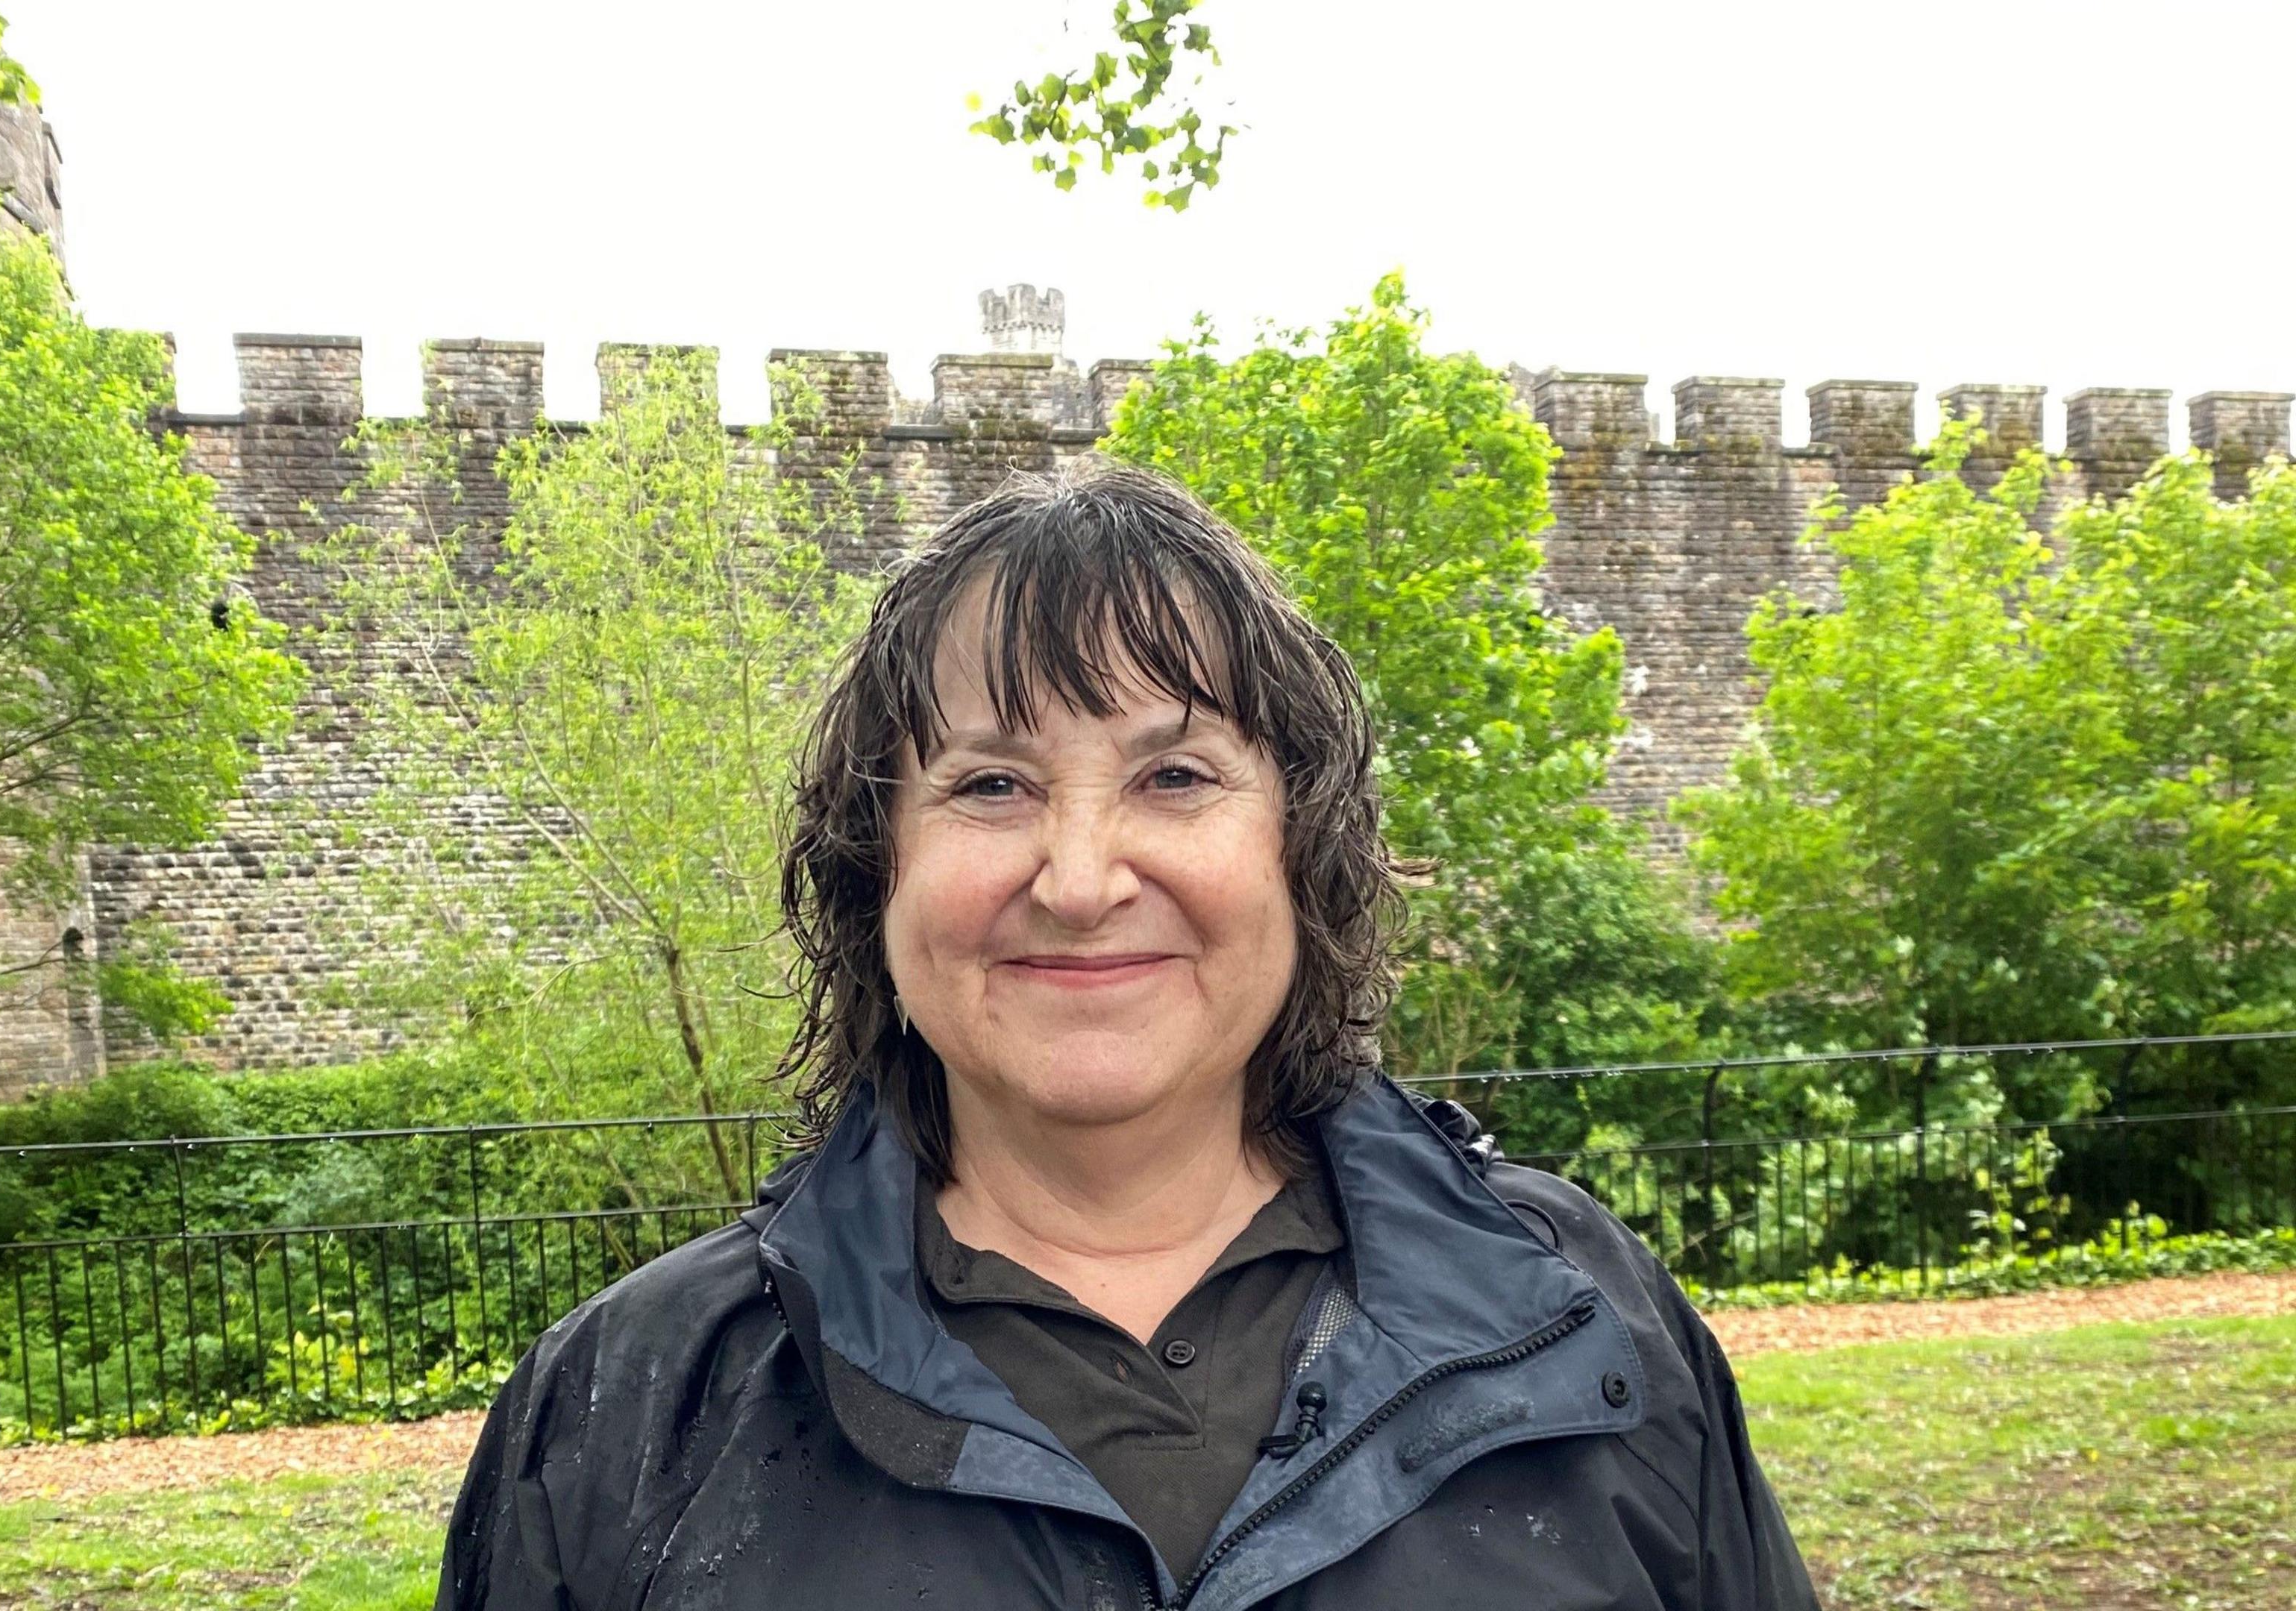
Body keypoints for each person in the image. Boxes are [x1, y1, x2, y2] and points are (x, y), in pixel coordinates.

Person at [437, 462, 1817, 1610]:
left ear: (1300, 850)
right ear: (880, 872)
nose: (1083, 877)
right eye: (989, 784)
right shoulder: (631, 1407)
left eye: (1175, 775)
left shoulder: (1582, 1322)